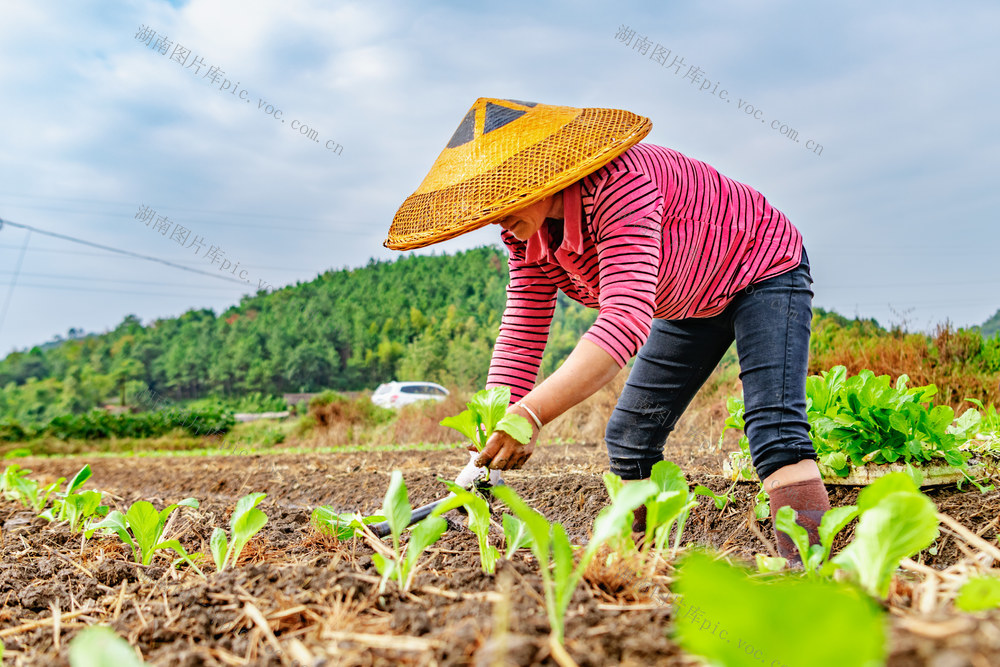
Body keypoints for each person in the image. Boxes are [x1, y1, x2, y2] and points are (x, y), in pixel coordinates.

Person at [385, 97, 830, 563]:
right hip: (687, 299)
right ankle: (642, 567)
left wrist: (531, 416)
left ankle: (813, 577)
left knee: (775, 432)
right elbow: (523, 326)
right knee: (630, 436)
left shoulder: (621, 183)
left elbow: (623, 320)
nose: (494, 213)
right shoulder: (525, 230)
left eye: (502, 193)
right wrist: (494, 421)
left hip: (761, 268)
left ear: (540, 173)